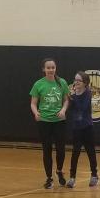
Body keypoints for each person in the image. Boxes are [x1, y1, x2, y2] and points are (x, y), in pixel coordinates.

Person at [29, 58, 70, 189]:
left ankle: (59, 170)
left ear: (55, 68)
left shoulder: (62, 82)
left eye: (53, 67)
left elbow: (66, 100)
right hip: (44, 121)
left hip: (59, 121)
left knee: (61, 149)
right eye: (48, 68)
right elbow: (33, 103)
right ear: (44, 69)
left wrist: (63, 110)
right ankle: (49, 178)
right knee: (47, 150)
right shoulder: (38, 84)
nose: (51, 70)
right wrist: (36, 113)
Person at [67, 71, 99, 188]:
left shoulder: (87, 94)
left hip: (87, 128)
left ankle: (94, 175)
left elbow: (82, 108)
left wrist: (74, 97)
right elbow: (71, 109)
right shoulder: (73, 95)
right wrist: (70, 99)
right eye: (75, 80)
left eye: (79, 80)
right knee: (75, 152)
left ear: (85, 83)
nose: (76, 82)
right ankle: (72, 177)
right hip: (76, 128)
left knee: (90, 152)